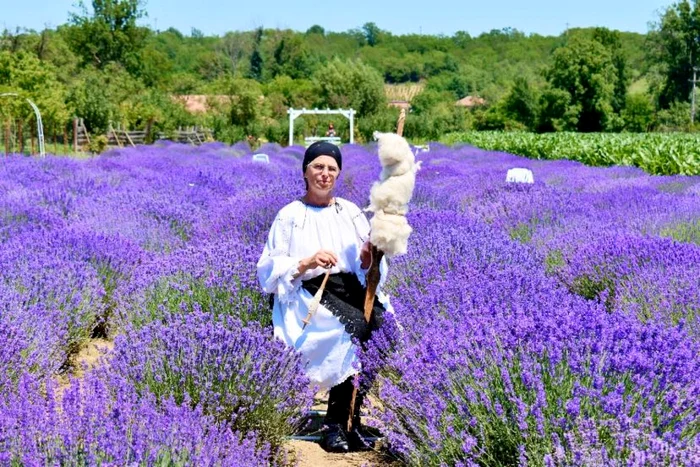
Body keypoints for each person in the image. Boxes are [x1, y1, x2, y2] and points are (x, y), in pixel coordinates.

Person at [257, 141, 391, 453]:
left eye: (331, 168)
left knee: (383, 331)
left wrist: (370, 256)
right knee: (352, 330)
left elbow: (367, 267)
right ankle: (334, 424)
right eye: (318, 167)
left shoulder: (351, 212)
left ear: (338, 173)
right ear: (305, 171)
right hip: (308, 292)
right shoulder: (289, 215)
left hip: (350, 287)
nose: (325, 174)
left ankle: (351, 419)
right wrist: (307, 261)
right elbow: (269, 269)